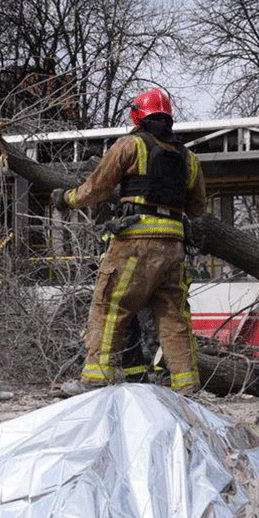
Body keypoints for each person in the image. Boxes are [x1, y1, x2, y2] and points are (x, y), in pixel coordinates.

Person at [51, 86, 207, 395]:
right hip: (174, 245)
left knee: (109, 306)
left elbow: (96, 188)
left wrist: (66, 199)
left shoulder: (130, 145)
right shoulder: (190, 158)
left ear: (138, 116)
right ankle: (187, 386)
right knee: (174, 318)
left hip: (136, 243)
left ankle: (95, 379)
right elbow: (197, 207)